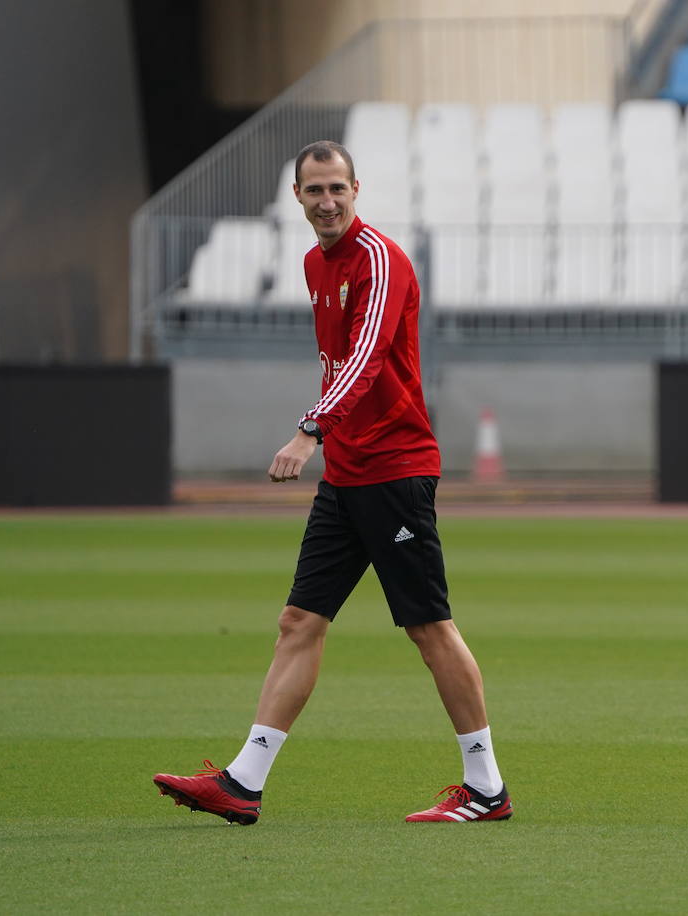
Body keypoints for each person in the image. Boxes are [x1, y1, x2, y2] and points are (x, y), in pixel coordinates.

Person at [153, 140, 511, 825]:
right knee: (299, 621)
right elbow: (340, 362)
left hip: (395, 469)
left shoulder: (380, 258)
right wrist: (327, 438)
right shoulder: (316, 261)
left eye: (337, 189)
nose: (326, 202)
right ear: (296, 196)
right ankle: (243, 781)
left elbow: (367, 359)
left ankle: (487, 787)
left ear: (357, 189)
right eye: (314, 191)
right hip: (347, 473)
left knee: (429, 626)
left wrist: (308, 430)